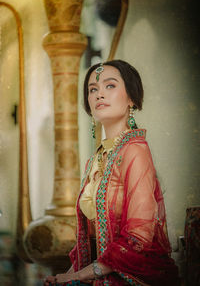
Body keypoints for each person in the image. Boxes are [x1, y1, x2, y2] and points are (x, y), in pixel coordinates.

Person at [44, 60, 180, 286]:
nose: (99, 94)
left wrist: (77, 276)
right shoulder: (95, 160)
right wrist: (65, 277)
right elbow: (89, 243)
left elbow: (139, 238)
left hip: (131, 274)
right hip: (100, 272)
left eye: (110, 86)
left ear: (132, 99)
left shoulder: (135, 150)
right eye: (93, 89)